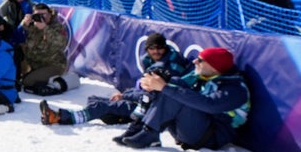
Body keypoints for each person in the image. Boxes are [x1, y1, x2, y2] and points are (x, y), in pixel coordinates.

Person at [39, 32, 191, 127]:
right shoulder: (149, 62)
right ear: (147, 49)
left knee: (100, 106)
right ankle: (109, 114)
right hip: (145, 101)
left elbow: (152, 93)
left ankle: (59, 117)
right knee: (95, 100)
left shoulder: (169, 65)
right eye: (152, 48)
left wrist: (125, 95)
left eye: (160, 48)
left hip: (153, 109)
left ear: (165, 48)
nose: (156, 51)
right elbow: (143, 89)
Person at [117, 46, 251, 150]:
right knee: (172, 84)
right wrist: (137, 90)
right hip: (190, 127)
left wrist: (164, 87)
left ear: (214, 67)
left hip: (209, 137)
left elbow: (210, 105)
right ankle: (139, 128)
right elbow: (173, 85)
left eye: (201, 60)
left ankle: (149, 133)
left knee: (174, 91)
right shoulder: (202, 76)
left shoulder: (235, 89)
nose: (194, 61)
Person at [19, 3, 71, 94]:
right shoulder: (32, 26)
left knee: (27, 82)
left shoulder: (57, 26)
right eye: (37, 15)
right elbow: (17, 38)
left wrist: (45, 28)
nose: (41, 17)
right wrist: (23, 25)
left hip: (53, 65)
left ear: (50, 14)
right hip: (35, 65)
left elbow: (62, 43)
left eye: (44, 14)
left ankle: (56, 83)